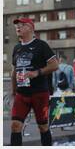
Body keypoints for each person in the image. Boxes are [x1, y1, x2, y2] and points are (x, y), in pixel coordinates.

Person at [10, 17, 58, 145]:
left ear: (30, 27)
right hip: (21, 94)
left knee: (43, 127)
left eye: (21, 25)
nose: (17, 28)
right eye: (16, 26)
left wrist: (37, 72)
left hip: (39, 93)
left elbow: (54, 65)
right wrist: (13, 91)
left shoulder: (41, 45)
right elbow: (14, 71)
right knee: (15, 125)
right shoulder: (16, 48)